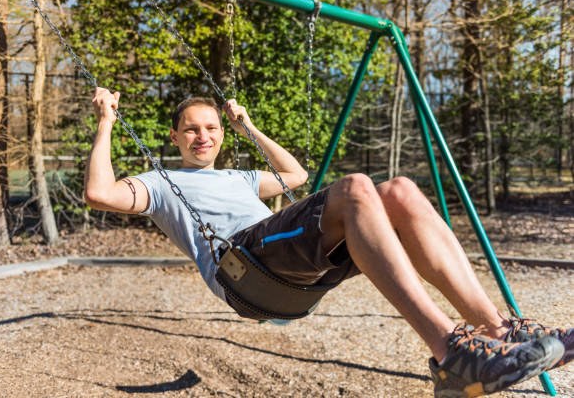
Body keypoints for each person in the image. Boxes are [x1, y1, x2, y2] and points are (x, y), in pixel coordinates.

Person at [85, 87, 571, 398]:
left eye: (210, 128)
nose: (202, 136)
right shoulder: (161, 182)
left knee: (399, 189)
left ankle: (495, 330)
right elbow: (100, 193)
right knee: (356, 185)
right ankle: (452, 356)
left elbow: (294, 175)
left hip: (293, 269)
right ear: (174, 136)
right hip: (246, 267)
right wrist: (106, 119)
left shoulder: (240, 175)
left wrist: (247, 127)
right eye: (191, 129)